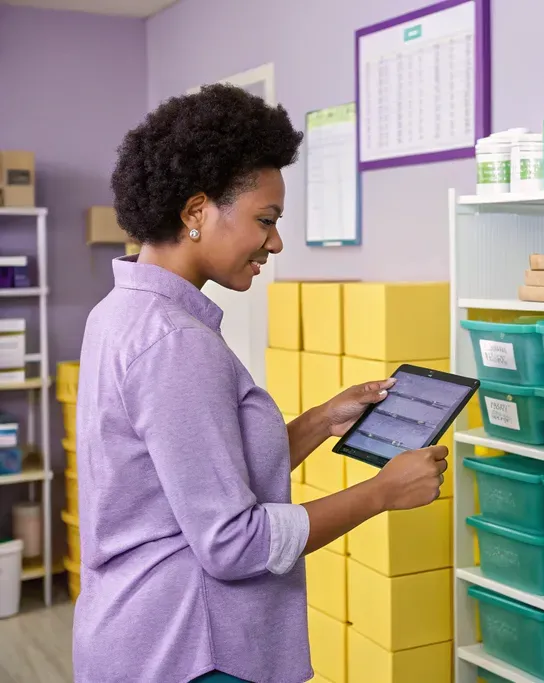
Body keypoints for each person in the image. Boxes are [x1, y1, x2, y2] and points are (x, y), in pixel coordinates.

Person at [72, 84, 448, 683]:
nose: (275, 242)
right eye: (265, 221)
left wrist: (322, 421)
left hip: (138, 634)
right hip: (191, 647)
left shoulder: (120, 313)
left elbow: (197, 481)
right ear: (196, 212)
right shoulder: (175, 342)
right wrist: (381, 493)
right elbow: (234, 543)